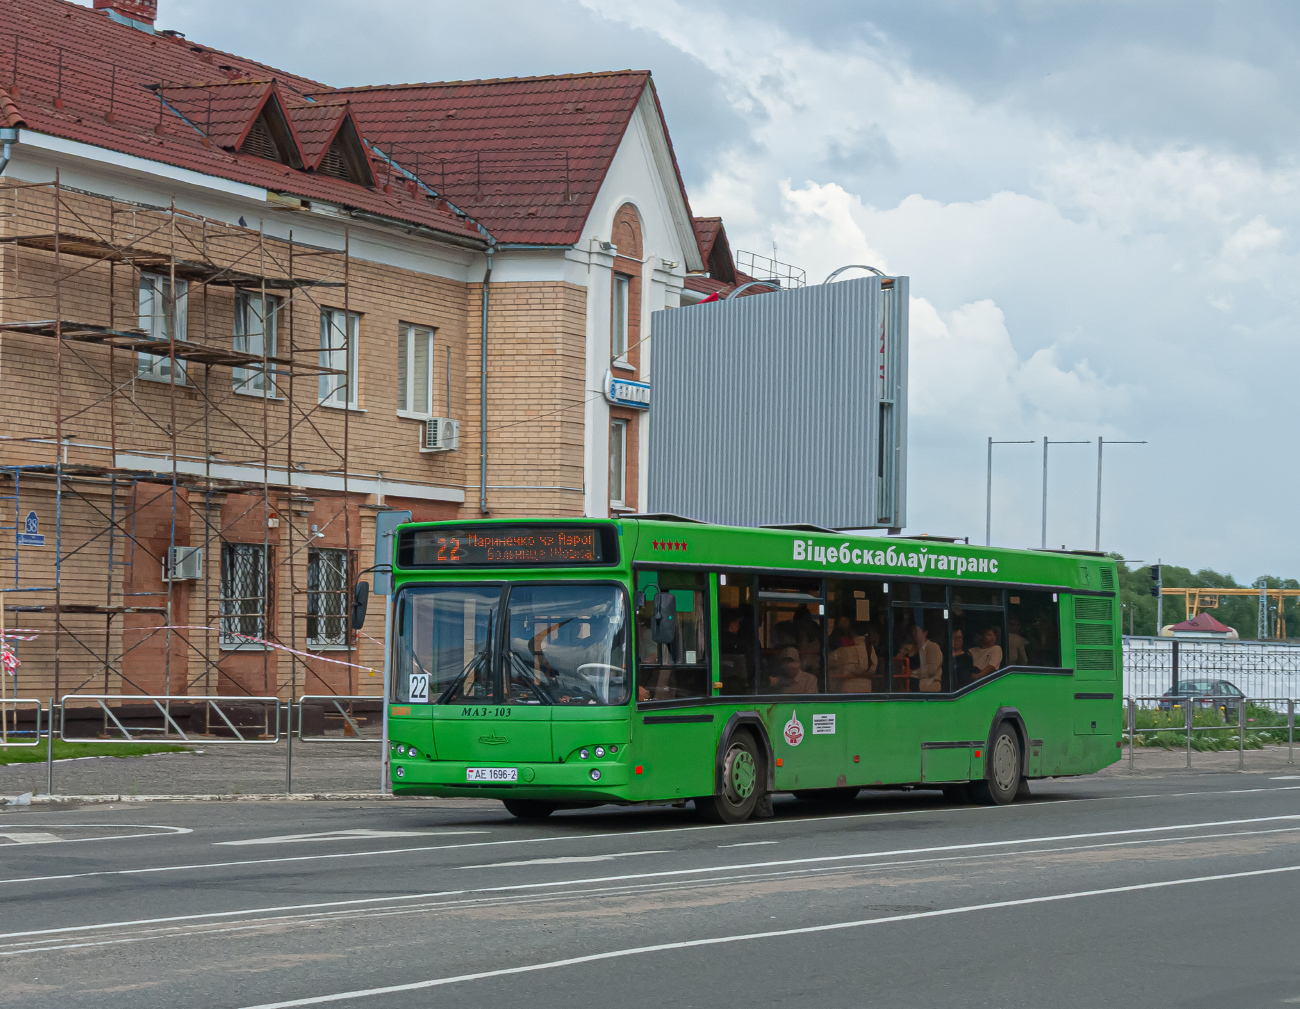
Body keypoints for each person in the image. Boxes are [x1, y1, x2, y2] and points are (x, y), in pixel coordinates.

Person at [896, 623, 943, 692]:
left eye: (916, 630)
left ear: (925, 632)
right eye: (913, 631)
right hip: (908, 689)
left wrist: (912, 673)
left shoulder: (933, 647)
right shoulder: (908, 648)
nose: (913, 633)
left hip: (928, 690)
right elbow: (897, 664)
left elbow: (931, 669)